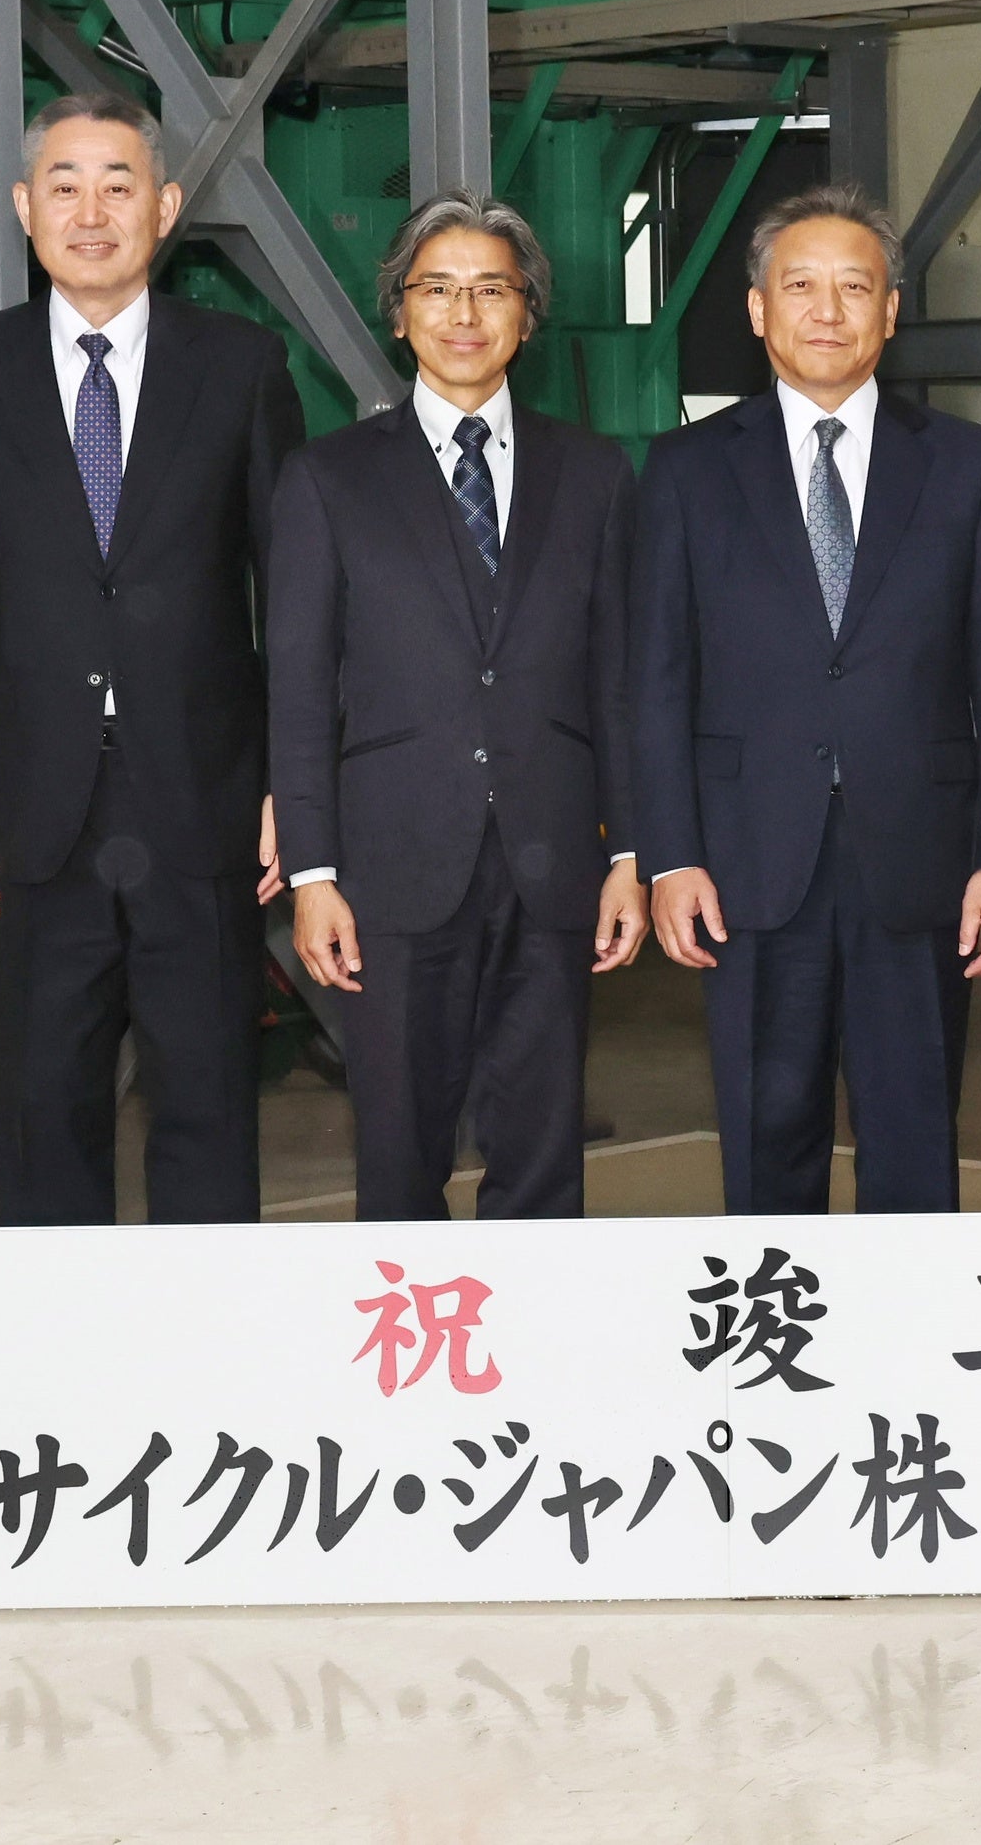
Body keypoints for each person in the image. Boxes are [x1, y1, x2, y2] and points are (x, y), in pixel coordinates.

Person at [0, 93, 304, 1225]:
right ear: (25, 207)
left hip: (206, 799)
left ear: (166, 208)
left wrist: (291, 786)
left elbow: (292, 593)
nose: (92, 213)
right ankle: (61, 1324)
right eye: (66, 186)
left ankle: (205, 1318)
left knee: (209, 1100)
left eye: (119, 186)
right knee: (45, 1106)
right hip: (34, 805)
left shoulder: (241, 366)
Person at [635, 183, 981, 1216]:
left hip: (921, 861)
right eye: (799, 287)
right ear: (757, 308)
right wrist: (670, 856)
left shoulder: (968, 466)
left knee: (915, 1143)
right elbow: (659, 679)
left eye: (854, 288)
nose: (827, 311)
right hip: (745, 859)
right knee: (765, 1144)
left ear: (890, 311)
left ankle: (907, 1321)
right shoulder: (684, 471)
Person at [271, 197, 648, 1220]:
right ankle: (413, 1322)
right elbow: (298, 692)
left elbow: (619, 681)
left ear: (528, 314)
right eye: (437, 289)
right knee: (398, 1148)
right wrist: (312, 872)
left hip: (553, 857)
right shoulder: (328, 479)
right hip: (391, 862)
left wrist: (630, 854)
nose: (465, 313)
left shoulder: (595, 475)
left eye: (492, 289)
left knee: (543, 1144)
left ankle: (534, 1315)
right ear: (400, 313)